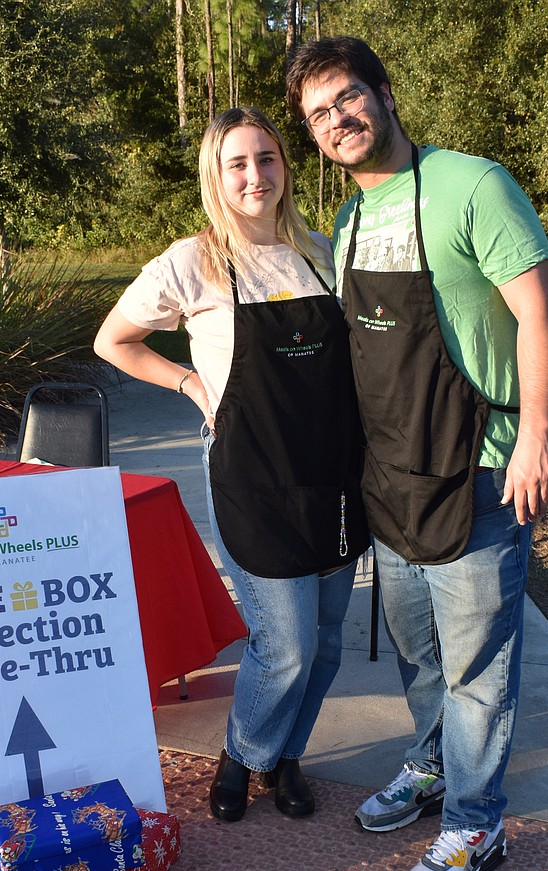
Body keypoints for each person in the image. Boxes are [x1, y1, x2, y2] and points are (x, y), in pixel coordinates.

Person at [286, 37, 548, 871]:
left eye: (348, 99)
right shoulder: (348, 221)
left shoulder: (472, 185)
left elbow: (537, 312)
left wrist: (537, 434)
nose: (339, 121)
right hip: (391, 474)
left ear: (385, 93)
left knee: (478, 664)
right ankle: (431, 767)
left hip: (480, 467)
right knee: (417, 649)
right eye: (320, 115)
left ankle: (477, 824)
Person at [94, 107, 369, 823]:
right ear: (216, 176)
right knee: (286, 643)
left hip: (334, 472)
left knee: (330, 639)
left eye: (267, 159)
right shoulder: (193, 261)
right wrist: (188, 383)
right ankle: (243, 753)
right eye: (237, 164)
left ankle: (284, 757)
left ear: (286, 165)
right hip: (251, 476)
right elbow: (113, 341)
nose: (255, 176)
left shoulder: (319, 249)